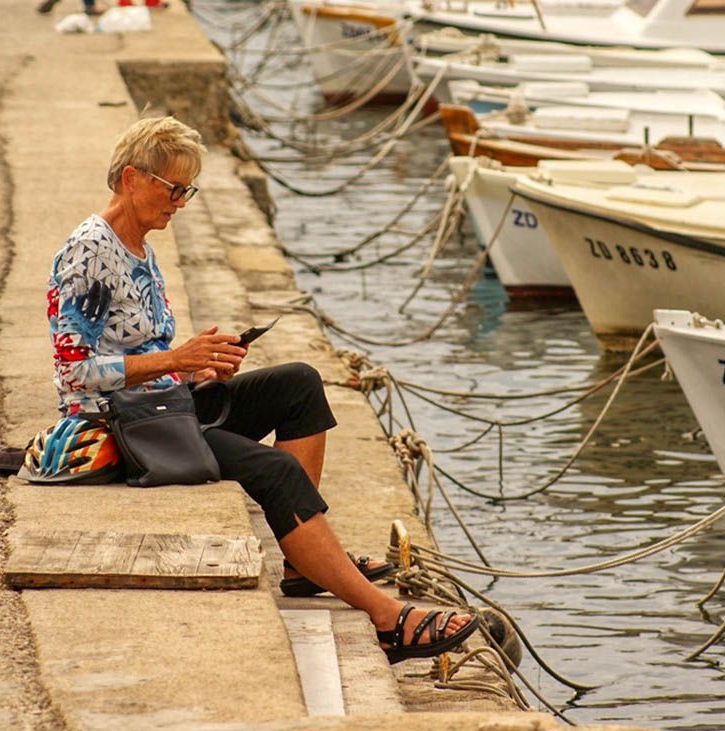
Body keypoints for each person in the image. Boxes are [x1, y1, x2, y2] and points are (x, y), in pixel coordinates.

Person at [45, 115, 477, 663]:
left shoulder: (140, 246)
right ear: (132, 179)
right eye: (174, 189)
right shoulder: (88, 253)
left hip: (164, 408)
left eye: (188, 190)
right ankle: (387, 618)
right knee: (275, 471)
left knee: (298, 383)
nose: (181, 201)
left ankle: (304, 564)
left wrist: (198, 365)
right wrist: (176, 359)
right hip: (120, 428)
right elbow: (72, 374)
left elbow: (142, 354)